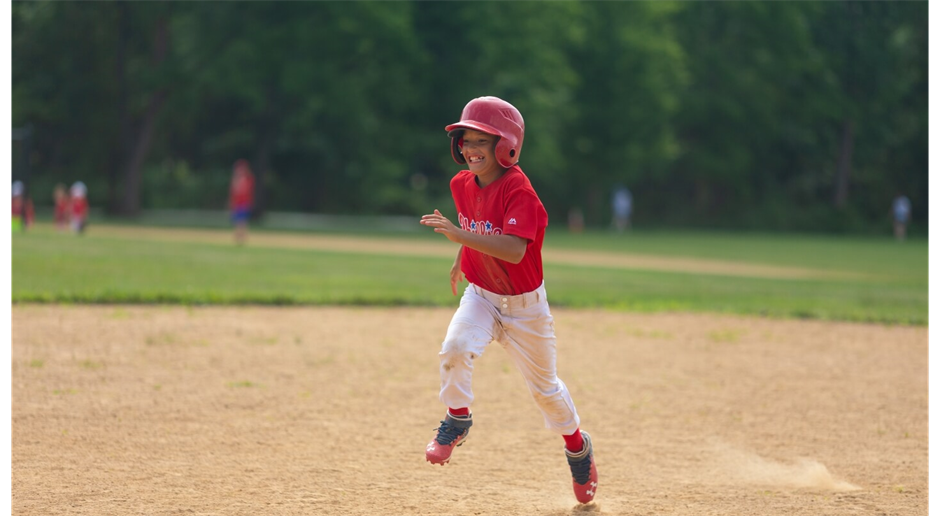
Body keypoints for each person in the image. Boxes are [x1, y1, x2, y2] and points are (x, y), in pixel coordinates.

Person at [419, 96, 598, 505]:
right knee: (455, 348)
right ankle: (457, 418)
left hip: (524, 309)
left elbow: (514, 249)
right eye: (465, 139)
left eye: (480, 140)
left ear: (507, 146)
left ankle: (577, 447)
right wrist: (460, 256)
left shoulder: (520, 190)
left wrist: (458, 237)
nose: (469, 148)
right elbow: (474, 226)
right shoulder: (461, 183)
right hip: (481, 294)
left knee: (545, 390)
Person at [228, 159, 255, 245]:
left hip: (244, 203)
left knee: (242, 221)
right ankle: (239, 236)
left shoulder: (248, 179)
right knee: (237, 220)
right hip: (237, 203)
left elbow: (245, 190)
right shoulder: (236, 179)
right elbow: (233, 192)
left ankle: (241, 237)